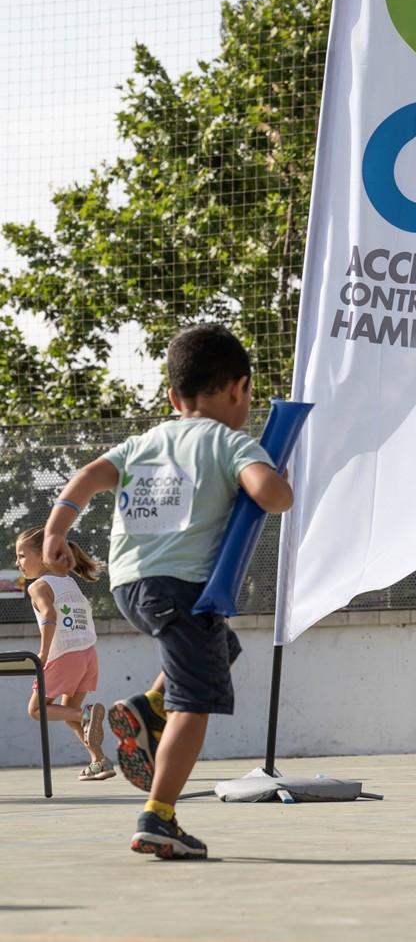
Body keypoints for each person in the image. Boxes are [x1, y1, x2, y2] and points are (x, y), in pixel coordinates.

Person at [41, 323, 293, 858]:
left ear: (174, 398)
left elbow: (87, 476)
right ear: (240, 389)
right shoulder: (230, 442)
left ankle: (147, 706)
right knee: (194, 703)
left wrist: (55, 531)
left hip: (131, 586)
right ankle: (159, 816)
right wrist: (278, 475)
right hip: (181, 590)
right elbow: (272, 496)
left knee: (221, 646)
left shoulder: (144, 442)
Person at [16, 527, 113, 781]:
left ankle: (86, 715)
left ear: (43, 556)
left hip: (64, 656)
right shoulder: (69, 582)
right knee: (70, 712)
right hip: (88, 655)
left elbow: (50, 615)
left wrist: (43, 653)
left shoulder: (38, 586)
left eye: (22, 556)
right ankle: (100, 761)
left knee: (37, 710)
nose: (18, 563)